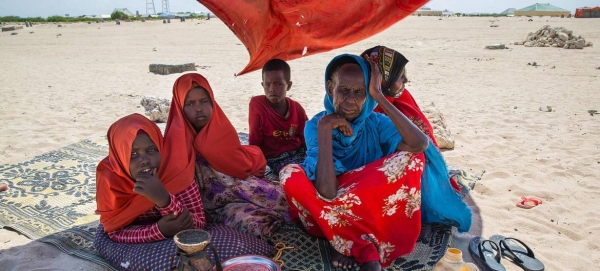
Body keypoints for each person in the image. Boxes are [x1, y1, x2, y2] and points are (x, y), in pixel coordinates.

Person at [281, 54, 472, 271]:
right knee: (289, 174)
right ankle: (363, 247)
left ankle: (347, 242)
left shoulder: (376, 122)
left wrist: (378, 96)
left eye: (360, 92)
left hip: (366, 204)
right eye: (343, 90)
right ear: (330, 87)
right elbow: (327, 191)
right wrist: (325, 130)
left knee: (413, 158)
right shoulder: (317, 125)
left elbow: (420, 144)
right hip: (328, 203)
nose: (350, 100)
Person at [163, 73, 289, 237]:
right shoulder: (175, 142)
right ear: (180, 106)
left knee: (286, 201)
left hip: (240, 186)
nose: (199, 108)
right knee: (253, 225)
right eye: (190, 103)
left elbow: (240, 165)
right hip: (212, 206)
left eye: (204, 101)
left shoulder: (220, 128)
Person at [95, 113, 206, 243]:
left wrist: (164, 200)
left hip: (178, 235)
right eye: (134, 154)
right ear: (119, 156)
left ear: (160, 147)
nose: (144, 160)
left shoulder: (175, 171)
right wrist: (159, 230)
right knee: (103, 241)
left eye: (152, 150)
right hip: (142, 237)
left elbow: (199, 224)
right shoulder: (110, 179)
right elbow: (114, 230)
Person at [249, 58, 308, 174]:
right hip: (274, 159)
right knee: (293, 173)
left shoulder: (297, 108)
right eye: (267, 84)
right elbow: (254, 140)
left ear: (289, 85)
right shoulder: (257, 105)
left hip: (297, 152)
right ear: (262, 85)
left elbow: (306, 137)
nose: (272, 89)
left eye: (278, 83)